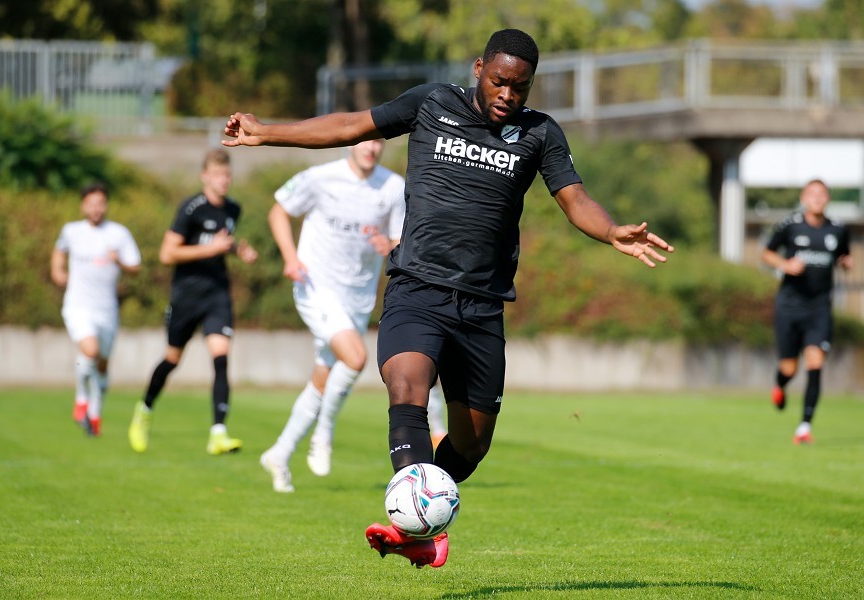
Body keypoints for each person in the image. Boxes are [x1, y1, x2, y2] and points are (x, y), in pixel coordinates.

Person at [223, 28, 672, 568]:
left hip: (482, 308)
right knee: (406, 386)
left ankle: (423, 513)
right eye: (500, 81)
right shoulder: (433, 102)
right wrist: (265, 132)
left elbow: (575, 199)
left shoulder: (540, 134)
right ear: (479, 67)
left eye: (521, 88)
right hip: (417, 289)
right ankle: (414, 524)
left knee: (471, 445)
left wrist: (611, 232)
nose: (508, 95)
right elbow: (350, 126)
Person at [258, 139, 406, 492]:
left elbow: (401, 239)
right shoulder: (320, 177)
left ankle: (279, 453)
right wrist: (290, 257)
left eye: (378, 141)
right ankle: (323, 435)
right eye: (365, 140)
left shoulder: (393, 187)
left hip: (358, 297)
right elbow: (278, 211)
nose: (371, 147)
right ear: (351, 143)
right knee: (355, 358)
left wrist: (391, 245)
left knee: (323, 378)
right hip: (316, 286)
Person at [128, 149, 258, 455]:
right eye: (217, 175)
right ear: (204, 176)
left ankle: (218, 433)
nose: (223, 180)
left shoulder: (232, 210)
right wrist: (211, 249)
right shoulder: (191, 209)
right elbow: (167, 254)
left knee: (221, 356)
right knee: (172, 359)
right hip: (186, 296)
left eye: (227, 175)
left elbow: (221, 244)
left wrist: (238, 250)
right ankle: (144, 410)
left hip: (217, 294)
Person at [761, 179, 852, 445]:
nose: (817, 198)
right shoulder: (790, 225)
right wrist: (785, 265)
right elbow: (766, 254)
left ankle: (804, 427)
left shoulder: (838, 229)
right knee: (789, 367)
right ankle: (780, 385)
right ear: (804, 197)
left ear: (828, 199)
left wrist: (846, 263)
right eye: (812, 194)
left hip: (819, 307)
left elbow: (843, 257)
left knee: (816, 363)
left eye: (822, 194)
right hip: (789, 306)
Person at [51, 182, 141, 436]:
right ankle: (81, 399)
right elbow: (58, 252)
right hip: (78, 305)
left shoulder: (118, 234)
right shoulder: (71, 231)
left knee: (102, 365)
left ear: (106, 205)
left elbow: (136, 267)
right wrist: (58, 271)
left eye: (101, 203)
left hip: (107, 310)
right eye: (92, 203)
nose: (96, 208)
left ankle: (95, 414)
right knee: (89, 350)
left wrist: (120, 262)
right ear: (83, 206)